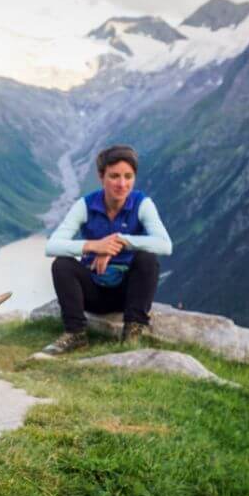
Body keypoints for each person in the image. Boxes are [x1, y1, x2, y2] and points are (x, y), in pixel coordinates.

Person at [41, 144, 172, 355]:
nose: (122, 184)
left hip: (127, 294)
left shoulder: (142, 204)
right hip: (92, 291)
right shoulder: (85, 205)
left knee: (147, 259)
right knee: (62, 265)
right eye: (114, 176)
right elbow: (52, 246)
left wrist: (120, 241)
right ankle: (75, 334)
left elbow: (165, 245)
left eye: (128, 176)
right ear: (101, 176)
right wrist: (94, 246)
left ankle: (132, 333)